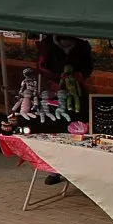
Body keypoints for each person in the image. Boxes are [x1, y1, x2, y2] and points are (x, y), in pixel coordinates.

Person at [36, 35, 94, 184]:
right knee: (55, 130)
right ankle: (54, 170)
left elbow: (88, 67)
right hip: (54, 93)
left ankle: (76, 169)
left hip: (77, 94)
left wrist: (77, 77)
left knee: (78, 130)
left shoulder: (82, 46)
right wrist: (58, 77)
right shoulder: (47, 44)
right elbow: (41, 67)